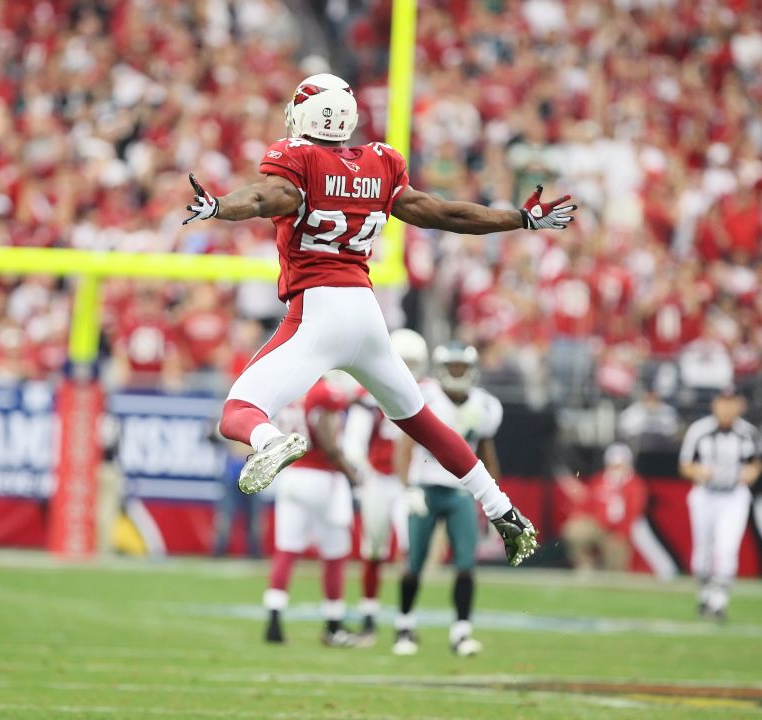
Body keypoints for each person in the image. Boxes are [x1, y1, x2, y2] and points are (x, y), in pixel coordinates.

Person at [183, 73, 575, 566]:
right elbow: (444, 214)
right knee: (422, 422)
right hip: (367, 314)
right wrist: (520, 218)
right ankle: (501, 508)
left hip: (318, 310)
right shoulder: (381, 162)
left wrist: (220, 207)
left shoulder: (296, 158)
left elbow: (266, 198)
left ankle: (270, 441)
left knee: (238, 413)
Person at [391, 342, 503, 657]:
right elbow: (405, 447)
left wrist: (495, 503)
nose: (457, 373)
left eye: (461, 367)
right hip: (425, 488)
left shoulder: (485, 405)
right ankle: (404, 626)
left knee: (466, 562)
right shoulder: (426, 396)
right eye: (452, 367)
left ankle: (462, 632)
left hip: (461, 492)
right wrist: (407, 487)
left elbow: (487, 454)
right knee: (414, 562)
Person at [262, 373, 362, 647]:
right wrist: (352, 476)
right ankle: (333, 625)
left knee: (286, 550)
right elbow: (328, 443)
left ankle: (273, 618)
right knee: (334, 553)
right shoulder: (324, 393)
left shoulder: (289, 389)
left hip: (291, 475)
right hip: (320, 476)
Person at [342, 328, 425, 645]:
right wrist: (364, 478)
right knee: (373, 550)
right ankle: (368, 617)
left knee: (410, 551)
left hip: (408, 483)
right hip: (378, 479)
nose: (409, 369)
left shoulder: (426, 394)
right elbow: (354, 444)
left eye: (414, 362)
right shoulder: (371, 396)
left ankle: (405, 622)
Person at [678, 386, 762, 622]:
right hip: (705, 493)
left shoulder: (748, 432)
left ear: (740, 405)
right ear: (715, 404)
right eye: (723, 402)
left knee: (726, 548)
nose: (727, 407)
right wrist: (701, 472)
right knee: (702, 550)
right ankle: (704, 594)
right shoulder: (699, 430)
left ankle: (719, 601)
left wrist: (751, 474)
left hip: (734, 494)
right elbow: (685, 465)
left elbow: (756, 463)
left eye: (732, 402)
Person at [559, 443, 648, 573]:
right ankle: (585, 566)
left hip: (618, 533)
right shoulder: (599, 480)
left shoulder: (635, 485)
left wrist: (621, 534)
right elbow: (585, 504)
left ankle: (603, 572)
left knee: (615, 570)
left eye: (620, 465)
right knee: (574, 530)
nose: (616, 469)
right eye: (613, 464)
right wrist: (577, 514)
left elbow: (633, 514)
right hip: (597, 526)